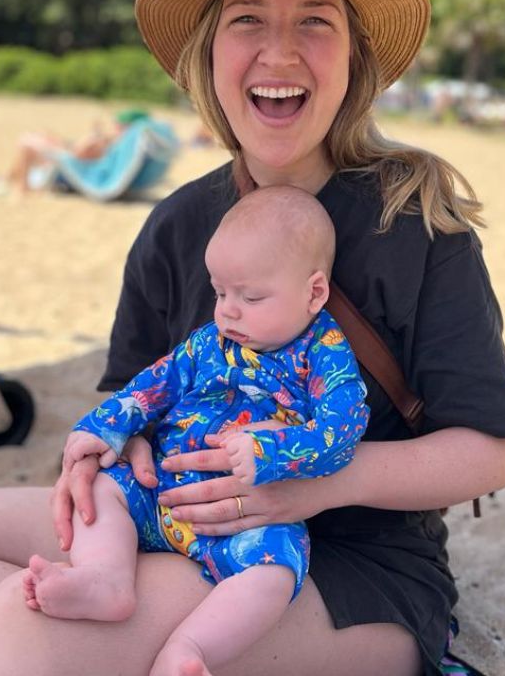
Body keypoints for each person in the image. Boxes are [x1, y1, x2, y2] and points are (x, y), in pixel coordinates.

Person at [0, 0, 505, 676]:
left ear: (356, 59)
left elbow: (491, 453)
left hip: (343, 567)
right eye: (247, 19)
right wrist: (115, 448)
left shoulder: (416, 224)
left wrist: (306, 489)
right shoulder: (178, 225)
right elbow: (132, 393)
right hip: (170, 519)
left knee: (27, 617)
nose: (279, 52)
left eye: (316, 20)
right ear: (209, 56)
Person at [23, 185, 368, 675]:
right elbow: (156, 383)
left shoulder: (324, 355)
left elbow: (341, 432)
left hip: (245, 520)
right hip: (158, 495)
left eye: (251, 296)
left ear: (314, 292)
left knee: (276, 571)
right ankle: (105, 581)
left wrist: (269, 449)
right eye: (220, 292)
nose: (227, 310)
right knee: (103, 488)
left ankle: (190, 649)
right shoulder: (211, 342)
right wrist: (106, 426)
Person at [7, 107, 150, 192]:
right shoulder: (121, 144)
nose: (115, 127)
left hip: (72, 164)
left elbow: (78, 155)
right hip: (72, 160)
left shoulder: (109, 143)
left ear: (126, 126)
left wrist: (94, 138)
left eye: (118, 124)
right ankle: (9, 179)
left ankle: (19, 187)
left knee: (27, 144)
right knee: (40, 135)